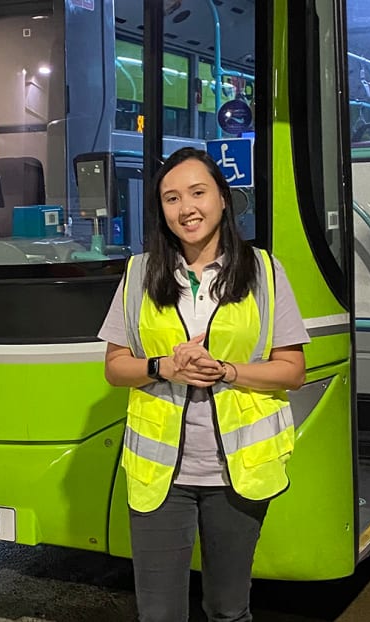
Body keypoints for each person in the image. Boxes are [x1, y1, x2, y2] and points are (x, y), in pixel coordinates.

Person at [98, 147, 309, 622]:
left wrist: (226, 370)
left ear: (222, 199)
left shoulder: (264, 272)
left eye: (197, 192)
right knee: (158, 614)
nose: (186, 208)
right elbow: (115, 367)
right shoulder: (138, 273)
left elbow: (292, 371)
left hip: (237, 475)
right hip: (160, 477)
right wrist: (162, 368)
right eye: (171, 198)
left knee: (228, 609)